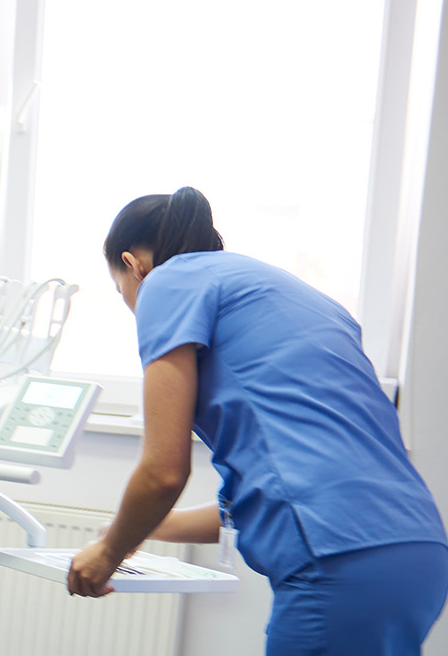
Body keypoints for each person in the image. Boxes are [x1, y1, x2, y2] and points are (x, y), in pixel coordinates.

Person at [68, 186, 448, 653]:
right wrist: (133, 530)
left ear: (133, 265)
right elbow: (263, 505)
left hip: (334, 559)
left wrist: (105, 555)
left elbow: (164, 471)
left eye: (120, 290)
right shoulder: (292, 295)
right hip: (416, 554)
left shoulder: (166, 283)